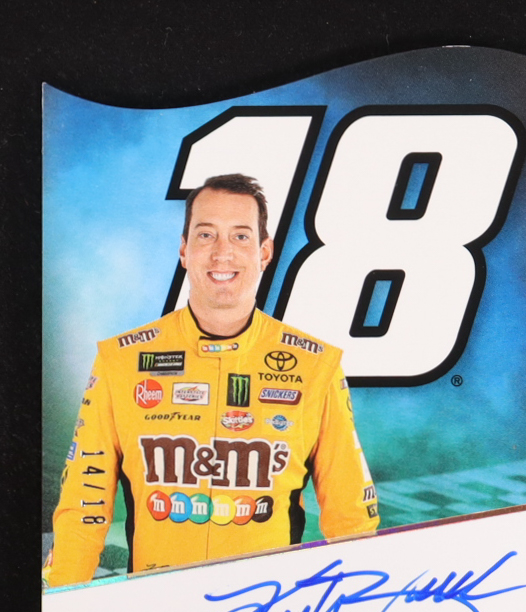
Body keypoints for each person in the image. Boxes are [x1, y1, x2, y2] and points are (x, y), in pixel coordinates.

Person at [43, 174, 379, 587]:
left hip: (267, 610)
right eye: (206, 235)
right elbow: (83, 507)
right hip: (154, 607)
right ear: (184, 250)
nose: (222, 252)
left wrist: (356, 603)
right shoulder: (121, 361)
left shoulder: (316, 366)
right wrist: (59, 605)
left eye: (240, 236)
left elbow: (352, 520)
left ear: (264, 252)